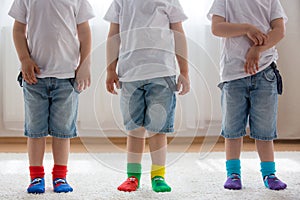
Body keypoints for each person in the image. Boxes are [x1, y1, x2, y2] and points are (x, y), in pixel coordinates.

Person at [9, 0, 94, 194]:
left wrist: (85, 65)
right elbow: (18, 30)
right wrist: (24, 59)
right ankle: (36, 176)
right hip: (34, 79)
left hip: (67, 78)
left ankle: (60, 176)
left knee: (62, 131)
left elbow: (84, 32)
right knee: (35, 131)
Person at [104, 0, 190, 193]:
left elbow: (179, 35)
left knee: (157, 130)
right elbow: (113, 35)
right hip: (130, 75)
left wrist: (184, 70)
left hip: (162, 74)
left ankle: (158, 175)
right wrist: (110, 69)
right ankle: (132, 176)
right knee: (134, 129)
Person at [208, 0, 288, 190]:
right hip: (233, 76)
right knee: (233, 129)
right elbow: (217, 28)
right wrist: (247, 28)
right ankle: (233, 174)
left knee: (264, 130)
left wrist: (258, 49)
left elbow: (279, 30)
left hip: (265, 72)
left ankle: (269, 174)